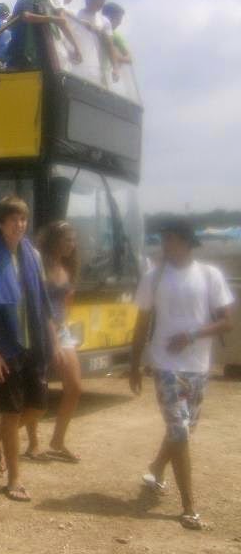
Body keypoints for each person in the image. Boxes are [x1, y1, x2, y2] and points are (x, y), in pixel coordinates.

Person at [130, 217, 235, 531]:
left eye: (171, 239)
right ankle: (189, 506)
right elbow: (141, 323)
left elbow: (227, 321)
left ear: (187, 242)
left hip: (198, 366)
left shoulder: (209, 275)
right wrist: (134, 365)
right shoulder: (153, 277)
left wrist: (191, 335)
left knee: (183, 431)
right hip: (165, 365)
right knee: (178, 430)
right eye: (164, 239)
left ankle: (156, 467)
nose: (165, 245)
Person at [0, 196, 58, 503]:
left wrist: (54, 341)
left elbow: (43, 303)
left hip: (34, 343)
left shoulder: (33, 256)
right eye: (13, 220)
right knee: (11, 413)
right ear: (0, 223)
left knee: (38, 408)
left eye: (23, 219)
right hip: (5, 346)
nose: (19, 225)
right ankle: (14, 480)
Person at [23, 221, 82, 462]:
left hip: (61, 330)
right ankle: (33, 443)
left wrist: (64, 325)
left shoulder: (67, 265)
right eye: (68, 239)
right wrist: (54, 338)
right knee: (38, 388)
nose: (72, 244)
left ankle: (58, 441)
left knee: (75, 387)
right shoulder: (40, 266)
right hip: (40, 331)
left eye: (73, 240)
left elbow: (66, 302)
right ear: (55, 241)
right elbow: (39, 306)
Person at [6, 0, 81, 71]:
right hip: (23, 53)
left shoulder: (48, 1)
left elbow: (57, 31)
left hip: (42, 55)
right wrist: (52, 19)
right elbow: (26, 16)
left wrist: (73, 49)